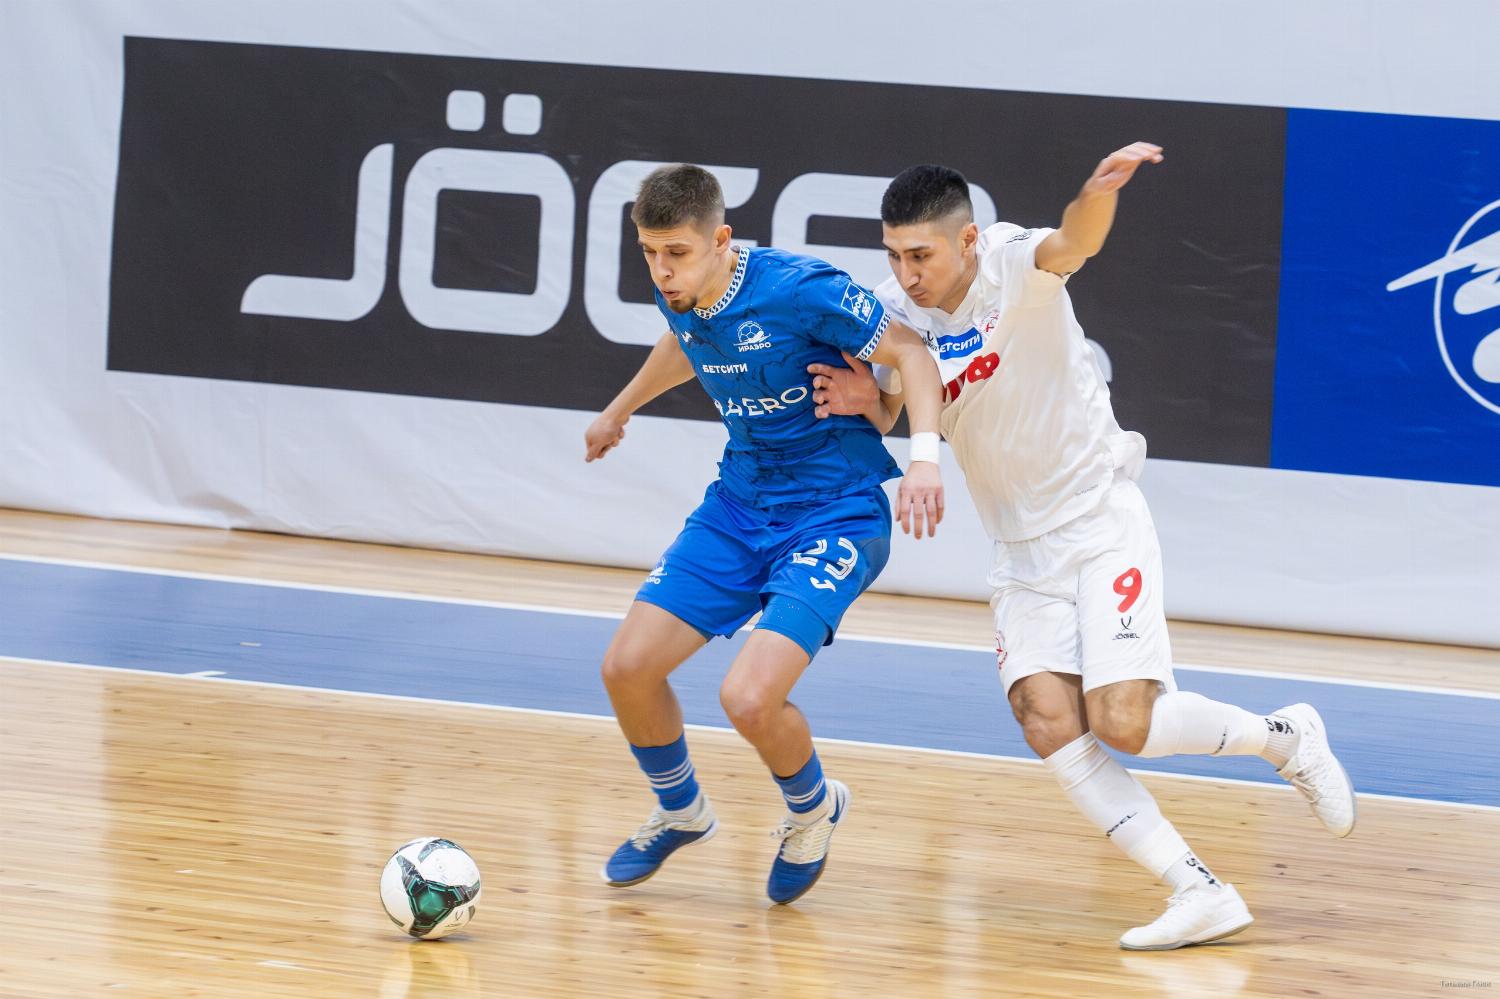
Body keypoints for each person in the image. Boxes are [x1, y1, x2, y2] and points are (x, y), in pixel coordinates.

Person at [807, 143, 1356, 949]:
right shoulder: (897, 311)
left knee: (1125, 721)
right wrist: (867, 397)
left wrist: (1097, 193)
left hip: (1098, 519)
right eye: (894, 255)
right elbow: (895, 406)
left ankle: (1286, 737)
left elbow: (1075, 241)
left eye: (920, 254)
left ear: (967, 239)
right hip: (1018, 547)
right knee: (1045, 715)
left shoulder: (1012, 263)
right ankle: (1199, 890)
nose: (907, 272)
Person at [584, 163, 947, 905]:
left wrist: (922, 459)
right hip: (739, 504)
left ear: (722, 240)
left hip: (836, 510)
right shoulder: (680, 287)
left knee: (747, 698)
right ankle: (681, 811)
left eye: (677, 253)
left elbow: (912, 351)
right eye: (649, 252)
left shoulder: (799, 289)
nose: (661, 269)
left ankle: (814, 810)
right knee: (626, 668)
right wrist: (618, 410)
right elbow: (684, 343)